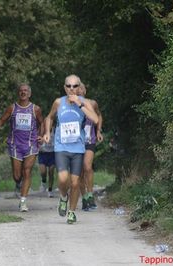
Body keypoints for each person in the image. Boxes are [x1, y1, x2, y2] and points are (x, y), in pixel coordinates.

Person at [43, 74, 99, 224]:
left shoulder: (85, 102)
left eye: (75, 86)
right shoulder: (58, 102)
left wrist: (79, 104)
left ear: (79, 87)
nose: (72, 89)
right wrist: (47, 133)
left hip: (78, 148)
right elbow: (49, 117)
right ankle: (63, 197)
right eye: (69, 86)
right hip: (61, 146)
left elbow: (95, 119)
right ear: (64, 87)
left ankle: (72, 212)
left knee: (75, 183)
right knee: (62, 178)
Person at [0, 84, 44, 212]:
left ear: (29, 94)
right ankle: (19, 183)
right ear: (18, 93)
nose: (23, 93)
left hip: (31, 144)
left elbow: (42, 122)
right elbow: (1, 121)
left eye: (25, 91)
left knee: (27, 172)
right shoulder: (12, 108)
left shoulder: (35, 109)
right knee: (17, 176)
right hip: (15, 144)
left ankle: (23, 201)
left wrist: (42, 135)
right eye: (21, 91)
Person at [77, 83, 103, 210]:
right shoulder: (70, 105)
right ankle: (84, 198)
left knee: (87, 167)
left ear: (85, 91)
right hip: (75, 143)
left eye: (82, 88)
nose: (80, 91)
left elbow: (99, 115)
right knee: (80, 172)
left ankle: (90, 194)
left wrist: (98, 131)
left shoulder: (92, 103)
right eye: (77, 89)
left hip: (89, 140)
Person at [38, 122, 55, 198]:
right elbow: (37, 140)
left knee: (51, 172)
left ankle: (50, 190)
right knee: (43, 172)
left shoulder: (55, 130)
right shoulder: (42, 131)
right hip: (43, 153)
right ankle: (43, 181)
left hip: (52, 153)